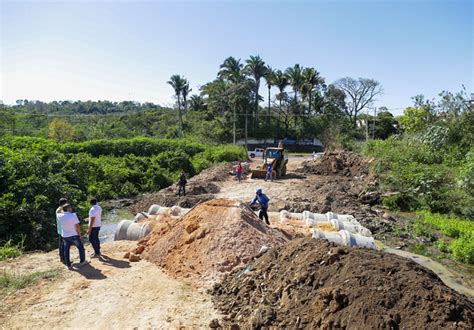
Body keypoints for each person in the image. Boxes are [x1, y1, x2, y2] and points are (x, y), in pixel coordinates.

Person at [57, 204, 86, 270]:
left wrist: (62, 207)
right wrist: (79, 234)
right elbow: (77, 226)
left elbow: (58, 211)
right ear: (68, 208)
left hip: (65, 235)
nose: (71, 208)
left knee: (66, 250)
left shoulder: (59, 216)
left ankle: (68, 265)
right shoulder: (73, 215)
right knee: (80, 247)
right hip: (74, 234)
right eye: (70, 207)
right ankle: (82, 261)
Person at [55, 198, 68, 264]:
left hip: (61, 229)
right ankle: (63, 259)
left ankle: (62, 258)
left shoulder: (58, 209)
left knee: (61, 244)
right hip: (62, 230)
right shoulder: (60, 210)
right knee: (63, 245)